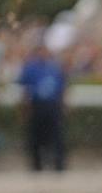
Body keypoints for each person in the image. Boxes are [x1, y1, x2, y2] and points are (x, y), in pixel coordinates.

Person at [18, 36, 68, 172]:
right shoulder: (30, 68)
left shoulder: (55, 67)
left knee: (56, 138)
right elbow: (25, 91)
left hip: (52, 107)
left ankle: (59, 166)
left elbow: (63, 88)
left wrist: (64, 105)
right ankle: (37, 167)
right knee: (35, 138)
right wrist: (25, 108)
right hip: (36, 106)